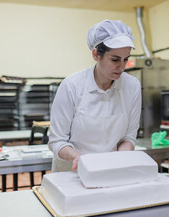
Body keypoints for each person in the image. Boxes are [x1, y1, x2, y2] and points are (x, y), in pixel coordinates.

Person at [48, 19, 142, 172]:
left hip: (111, 171)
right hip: (71, 174)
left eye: (126, 59)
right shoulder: (72, 85)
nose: (122, 67)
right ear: (96, 55)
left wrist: (119, 161)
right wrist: (80, 160)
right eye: (115, 59)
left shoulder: (132, 86)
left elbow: (128, 137)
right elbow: (57, 141)